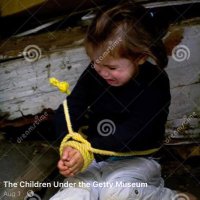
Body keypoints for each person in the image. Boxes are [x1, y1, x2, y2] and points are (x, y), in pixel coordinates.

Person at [50, 2, 196, 200]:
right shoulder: (96, 72)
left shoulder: (155, 83)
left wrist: (88, 149)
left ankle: (169, 197)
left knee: (116, 192)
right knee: (73, 194)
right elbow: (70, 108)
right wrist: (70, 145)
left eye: (111, 67)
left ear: (141, 58)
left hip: (135, 159)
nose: (101, 72)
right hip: (93, 158)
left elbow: (137, 131)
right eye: (96, 62)